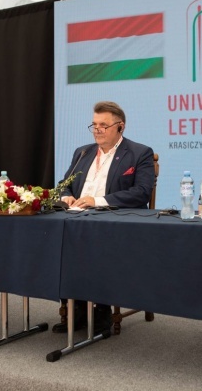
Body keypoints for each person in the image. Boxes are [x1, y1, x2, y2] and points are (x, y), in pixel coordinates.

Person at [52, 101, 156, 334]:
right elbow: (63, 184)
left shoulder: (139, 153)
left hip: (113, 221)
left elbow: (141, 192)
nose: (97, 130)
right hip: (77, 219)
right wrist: (67, 196)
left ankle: (101, 309)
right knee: (58, 239)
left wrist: (97, 200)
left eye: (103, 125)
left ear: (120, 127)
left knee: (94, 244)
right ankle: (75, 306)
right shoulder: (83, 152)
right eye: (94, 125)